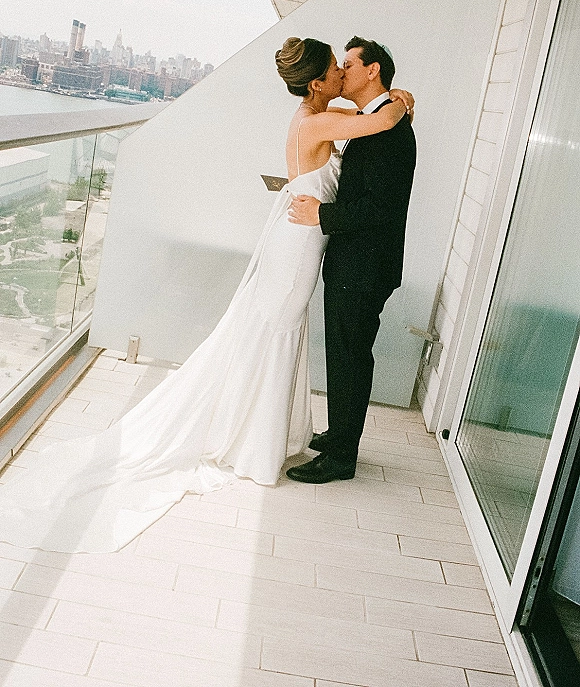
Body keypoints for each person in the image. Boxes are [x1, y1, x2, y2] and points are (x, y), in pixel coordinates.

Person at [0, 37, 412, 553]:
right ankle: (257, 444)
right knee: (276, 331)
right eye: (336, 67)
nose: (342, 74)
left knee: (277, 332)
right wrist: (398, 99)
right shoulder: (319, 120)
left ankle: (266, 434)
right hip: (299, 242)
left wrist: (395, 99)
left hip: (309, 240)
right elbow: (381, 120)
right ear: (317, 82)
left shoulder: (323, 115)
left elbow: (376, 136)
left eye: (347, 66)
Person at [286, 36, 416, 484]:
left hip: (364, 266)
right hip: (353, 261)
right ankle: (339, 434)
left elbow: (380, 208)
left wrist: (320, 213)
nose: (342, 71)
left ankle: (341, 457)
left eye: (348, 63)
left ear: (372, 70)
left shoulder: (390, 129)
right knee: (344, 355)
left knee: (349, 358)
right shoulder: (372, 120)